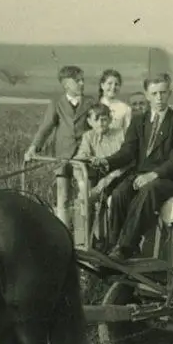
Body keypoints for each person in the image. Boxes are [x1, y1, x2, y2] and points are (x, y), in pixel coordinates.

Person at [93, 73, 173, 261]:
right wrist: (108, 161)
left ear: (169, 93)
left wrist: (154, 174)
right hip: (141, 176)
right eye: (154, 93)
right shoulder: (139, 121)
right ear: (147, 95)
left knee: (148, 190)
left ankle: (125, 247)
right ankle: (115, 245)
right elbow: (128, 151)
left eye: (163, 93)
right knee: (119, 194)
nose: (159, 98)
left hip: (168, 179)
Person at [24, 65, 99, 226]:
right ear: (66, 85)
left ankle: (81, 237)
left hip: (84, 157)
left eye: (82, 80)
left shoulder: (90, 102)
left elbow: (97, 126)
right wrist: (34, 147)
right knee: (63, 196)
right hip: (62, 156)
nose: (81, 83)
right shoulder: (57, 103)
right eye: (77, 81)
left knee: (84, 196)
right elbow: (46, 127)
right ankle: (63, 232)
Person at [72, 104, 128, 244]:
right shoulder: (89, 136)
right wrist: (82, 183)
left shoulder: (121, 134)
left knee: (109, 198)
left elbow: (127, 162)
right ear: (90, 122)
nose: (101, 124)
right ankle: (82, 242)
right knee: (82, 198)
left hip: (120, 177)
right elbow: (78, 161)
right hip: (102, 180)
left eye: (104, 119)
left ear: (110, 120)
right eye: (96, 120)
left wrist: (106, 180)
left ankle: (111, 242)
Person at [97, 68, 132, 142]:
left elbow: (127, 135)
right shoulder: (94, 105)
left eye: (116, 84)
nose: (113, 87)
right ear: (102, 85)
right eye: (109, 83)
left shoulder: (125, 108)